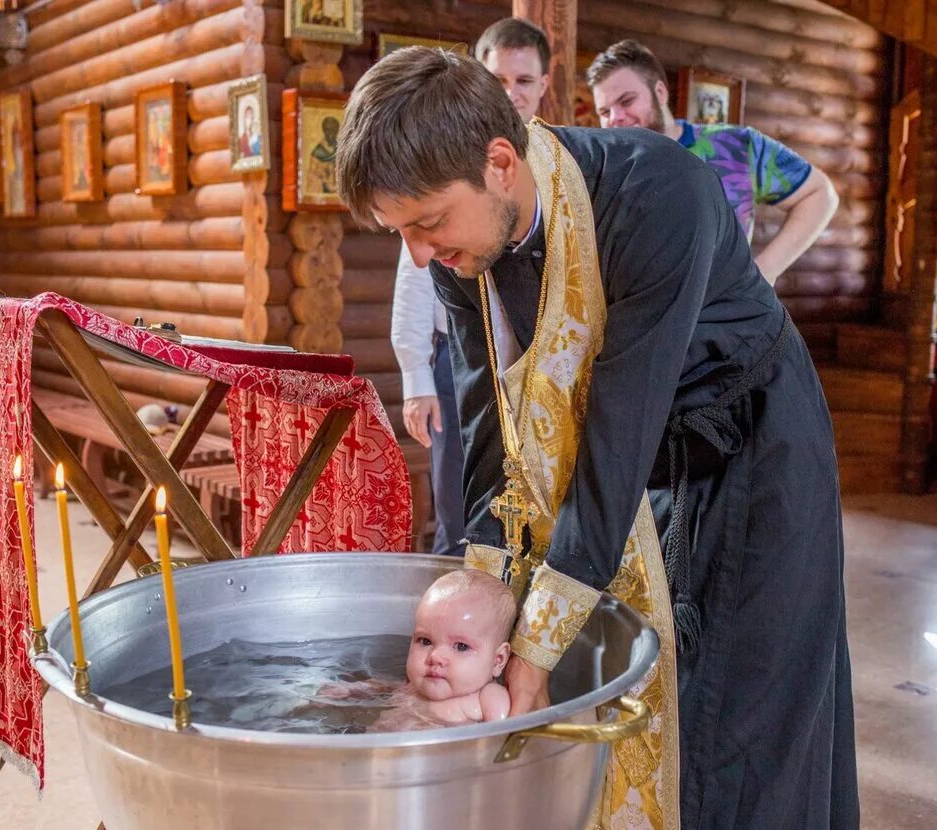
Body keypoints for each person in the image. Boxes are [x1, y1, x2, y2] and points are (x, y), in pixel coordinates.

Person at [337, 48, 857, 829]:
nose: (418, 254)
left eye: (428, 222)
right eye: (397, 231)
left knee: (737, 715)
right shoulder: (459, 248)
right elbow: (491, 429)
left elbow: (616, 435)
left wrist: (535, 652)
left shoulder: (658, 196)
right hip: (643, 454)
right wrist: (478, 608)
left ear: (500, 162)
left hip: (754, 450)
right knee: (646, 684)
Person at [391, 18, 550, 557]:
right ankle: (454, 601)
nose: (511, 94)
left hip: (538, 357)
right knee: (460, 500)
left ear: (543, 85)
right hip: (456, 356)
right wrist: (416, 376)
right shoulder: (444, 158)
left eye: (523, 81)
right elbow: (417, 269)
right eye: (497, 80)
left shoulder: (558, 171)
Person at [588, 39, 839, 286]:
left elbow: (820, 194)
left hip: (721, 320)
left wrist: (765, 273)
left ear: (660, 92)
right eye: (604, 112)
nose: (615, 118)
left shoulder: (736, 145)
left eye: (626, 101)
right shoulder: (605, 170)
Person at [319, 569, 514, 730]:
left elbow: (505, 737)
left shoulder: (487, 698)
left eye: (461, 646)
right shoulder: (414, 688)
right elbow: (390, 689)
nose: (435, 656)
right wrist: (357, 690)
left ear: (497, 661)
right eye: (425, 641)